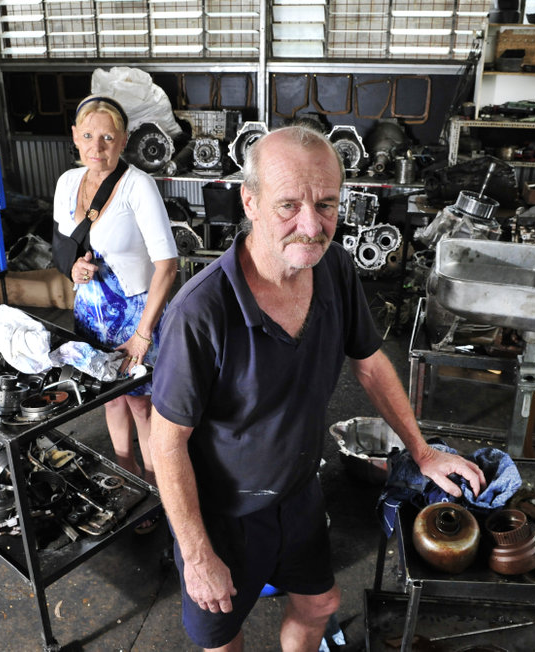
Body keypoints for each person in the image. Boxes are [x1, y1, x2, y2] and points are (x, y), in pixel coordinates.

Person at [148, 125, 487, 650]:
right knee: (223, 638)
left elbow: (371, 364)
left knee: (320, 604)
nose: (311, 226)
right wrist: (198, 556)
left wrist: (422, 453)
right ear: (250, 201)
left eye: (326, 204)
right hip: (223, 516)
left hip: (299, 492)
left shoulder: (334, 268)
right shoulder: (200, 313)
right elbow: (165, 442)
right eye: (289, 205)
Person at [52, 95, 178, 532]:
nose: (97, 146)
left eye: (108, 137)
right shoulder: (67, 183)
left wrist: (143, 334)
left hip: (134, 317)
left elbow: (167, 264)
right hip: (91, 312)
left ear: (123, 140)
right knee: (109, 398)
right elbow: (62, 246)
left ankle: (157, 493)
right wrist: (73, 267)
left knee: (143, 408)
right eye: (88, 136)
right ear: (74, 137)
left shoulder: (137, 186)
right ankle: (126, 482)